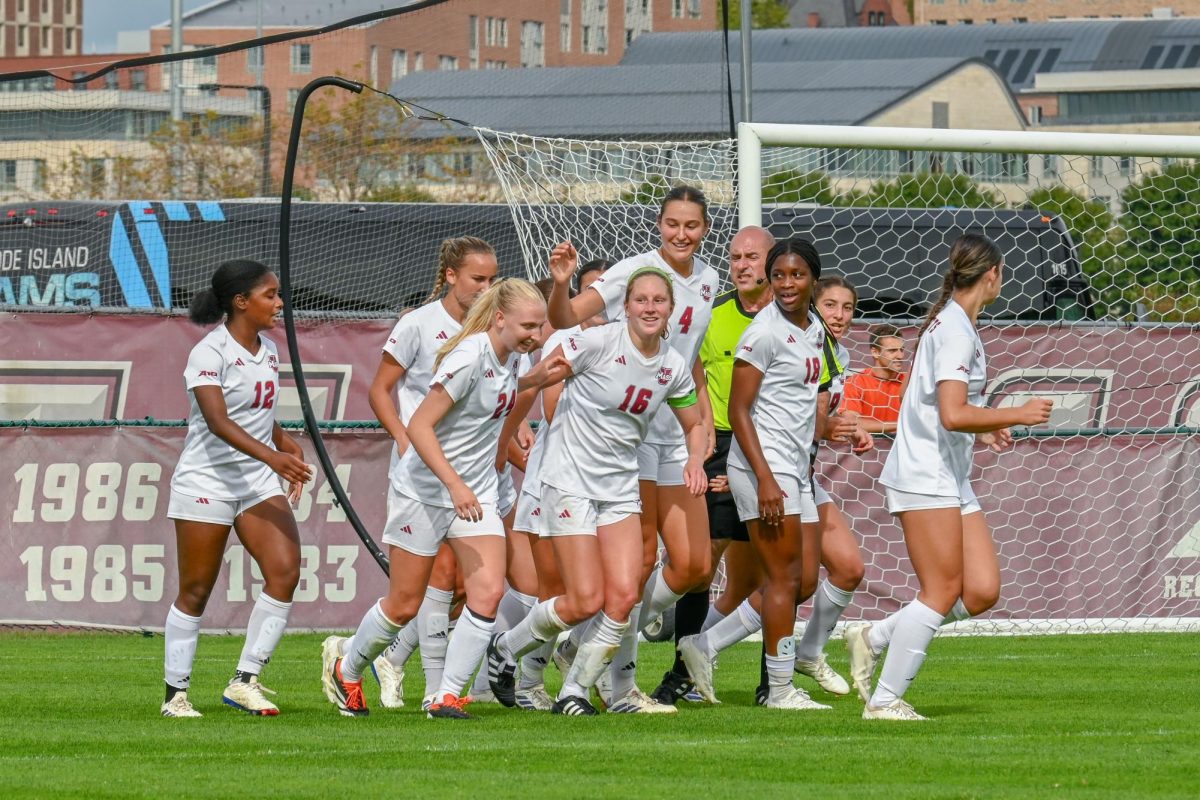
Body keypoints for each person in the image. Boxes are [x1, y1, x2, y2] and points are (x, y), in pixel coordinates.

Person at [321, 279, 567, 720]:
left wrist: (533, 378)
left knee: (488, 592)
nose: (536, 334)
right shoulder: (469, 356)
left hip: (475, 497)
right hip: (426, 492)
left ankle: (446, 696)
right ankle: (348, 665)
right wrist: (454, 484)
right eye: (528, 325)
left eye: (540, 325)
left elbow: (497, 398)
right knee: (402, 605)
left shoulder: (510, 359)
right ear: (499, 319)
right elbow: (419, 426)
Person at [846, 233, 1053, 721]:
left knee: (980, 591)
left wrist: (987, 430)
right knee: (940, 591)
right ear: (992, 276)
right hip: (924, 474)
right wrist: (1015, 414)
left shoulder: (956, 324)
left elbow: (939, 412)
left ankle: (873, 637)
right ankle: (884, 701)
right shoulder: (957, 330)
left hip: (949, 475)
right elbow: (953, 413)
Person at [487, 264, 708, 715]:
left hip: (620, 486)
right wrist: (503, 401)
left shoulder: (672, 366)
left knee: (625, 596)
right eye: (641, 299)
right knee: (583, 598)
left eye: (658, 301)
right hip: (567, 480)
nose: (649, 307)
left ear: (671, 310)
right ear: (624, 306)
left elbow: (695, 424)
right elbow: (537, 379)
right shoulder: (595, 342)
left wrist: (696, 459)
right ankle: (506, 648)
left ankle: (574, 690)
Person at [547, 185, 718, 710]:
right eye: (672, 224)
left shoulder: (710, 280)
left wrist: (703, 425)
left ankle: (587, 640)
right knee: (640, 561)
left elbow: (689, 361)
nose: (681, 234)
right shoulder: (632, 272)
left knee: (694, 566)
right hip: (633, 436)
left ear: (705, 229)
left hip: (678, 433)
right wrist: (558, 285)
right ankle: (616, 685)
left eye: (691, 225)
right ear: (659, 225)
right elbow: (563, 318)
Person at [681, 239, 831, 711]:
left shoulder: (814, 328)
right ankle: (781, 690)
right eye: (779, 275)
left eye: (797, 275)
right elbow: (739, 411)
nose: (787, 284)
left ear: (813, 279)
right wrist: (765, 479)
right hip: (764, 468)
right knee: (784, 579)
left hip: (795, 468)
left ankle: (703, 646)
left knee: (802, 580)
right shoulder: (763, 333)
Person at [162, 260, 313, 718]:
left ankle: (244, 681)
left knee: (285, 571)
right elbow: (218, 421)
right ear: (240, 302)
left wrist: (287, 445)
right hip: (206, 482)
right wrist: (274, 456)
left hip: (255, 482)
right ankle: (176, 696)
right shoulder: (209, 353)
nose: (280, 303)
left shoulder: (268, 348)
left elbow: (259, 415)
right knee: (196, 590)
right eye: (270, 295)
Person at [357, 236, 498, 710]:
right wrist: (402, 436)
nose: (486, 287)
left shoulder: (494, 332)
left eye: (493, 279)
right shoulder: (417, 324)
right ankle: (433, 688)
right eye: (478, 278)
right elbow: (381, 390)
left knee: (466, 584)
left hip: (472, 474)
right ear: (451, 276)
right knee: (433, 580)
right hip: (424, 473)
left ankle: (404, 667)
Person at [652, 225, 775, 705]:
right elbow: (692, 381)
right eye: (735, 257)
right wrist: (701, 447)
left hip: (775, 449)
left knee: (775, 569)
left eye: (752, 257)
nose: (743, 265)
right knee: (704, 564)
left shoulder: (792, 320)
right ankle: (684, 673)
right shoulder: (712, 315)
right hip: (723, 446)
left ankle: (774, 680)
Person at [843, 324, 907, 434]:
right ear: (875, 352)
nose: (900, 356)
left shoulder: (909, 383)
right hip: (869, 449)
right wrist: (901, 425)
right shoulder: (856, 382)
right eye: (892, 351)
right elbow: (851, 422)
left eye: (902, 350)